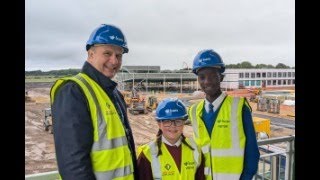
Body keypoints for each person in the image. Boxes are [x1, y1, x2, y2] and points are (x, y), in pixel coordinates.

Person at [50, 24, 138, 180]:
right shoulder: (74, 91)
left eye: (119, 55)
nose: (114, 61)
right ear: (90, 54)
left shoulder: (114, 93)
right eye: (107, 53)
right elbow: (73, 164)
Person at [188, 49, 260, 180]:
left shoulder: (239, 108)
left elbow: (252, 153)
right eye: (202, 77)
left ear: (221, 77)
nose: (207, 82)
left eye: (212, 76)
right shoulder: (194, 111)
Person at [137, 98, 205, 180]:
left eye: (178, 121)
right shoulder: (147, 154)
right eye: (167, 121)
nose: (173, 126)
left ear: (184, 122)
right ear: (159, 124)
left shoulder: (195, 149)